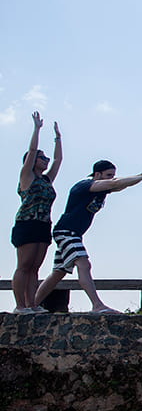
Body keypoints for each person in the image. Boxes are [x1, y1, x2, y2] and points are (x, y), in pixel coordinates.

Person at [31, 161, 142, 314]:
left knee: (59, 272)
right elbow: (116, 183)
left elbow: (120, 185)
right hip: (67, 232)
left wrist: (141, 176)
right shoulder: (85, 186)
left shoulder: (103, 190)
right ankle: (97, 305)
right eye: (108, 175)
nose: (111, 178)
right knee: (84, 264)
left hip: (74, 234)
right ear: (97, 174)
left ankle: (32, 305)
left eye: (112, 175)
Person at [12, 113, 62, 314]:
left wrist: (58, 138)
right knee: (24, 265)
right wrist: (37, 129)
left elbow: (58, 160)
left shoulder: (46, 180)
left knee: (34, 268)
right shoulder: (27, 176)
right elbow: (32, 150)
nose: (46, 160)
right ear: (32, 161)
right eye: (43, 158)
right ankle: (20, 305)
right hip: (27, 223)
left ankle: (32, 304)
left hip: (43, 224)